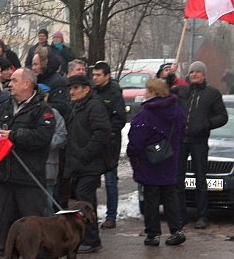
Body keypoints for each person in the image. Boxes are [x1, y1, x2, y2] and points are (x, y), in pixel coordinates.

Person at [0, 68, 56, 259]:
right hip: (5, 173)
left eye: (15, 80)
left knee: (34, 220)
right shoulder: (4, 106)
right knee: (6, 219)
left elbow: (43, 137)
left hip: (29, 175)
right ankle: (7, 258)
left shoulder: (42, 109)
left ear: (27, 84)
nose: (10, 84)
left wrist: (14, 135)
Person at [127, 79, 187, 246]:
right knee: (170, 195)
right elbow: (182, 132)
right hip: (170, 158)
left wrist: (135, 157)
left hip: (150, 161)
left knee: (151, 198)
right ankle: (176, 230)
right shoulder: (177, 111)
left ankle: (153, 234)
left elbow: (136, 141)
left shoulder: (146, 114)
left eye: (147, 90)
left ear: (153, 92)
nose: (145, 93)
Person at [171, 61, 228, 229]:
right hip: (181, 141)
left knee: (200, 180)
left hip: (199, 142)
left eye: (197, 72)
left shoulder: (212, 93)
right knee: (178, 180)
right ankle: (181, 215)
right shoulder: (181, 91)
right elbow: (163, 91)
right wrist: (169, 76)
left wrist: (206, 124)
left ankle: (202, 216)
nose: (194, 74)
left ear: (204, 74)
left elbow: (222, 116)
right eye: (192, 72)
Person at [64, 75, 111, 253]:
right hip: (78, 164)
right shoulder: (76, 107)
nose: (72, 91)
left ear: (86, 89)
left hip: (90, 164)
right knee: (82, 199)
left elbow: (102, 133)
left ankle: (91, 239)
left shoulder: (94, 106)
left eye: (76, 88)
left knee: (85, 200)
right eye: (70, 88)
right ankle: (87, 237)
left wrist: (85, 154)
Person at [92, 61, 126, 229]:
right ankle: (91, 215)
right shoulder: (92, 91)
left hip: (110, 143)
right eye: (93, 75)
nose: (95, 78)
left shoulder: (114, 93)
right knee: (91, 180)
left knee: (110, 181)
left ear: (107, 76)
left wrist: (108, 134)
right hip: (93, 141)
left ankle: (111, 216)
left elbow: (119, 118)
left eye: (98, 75)